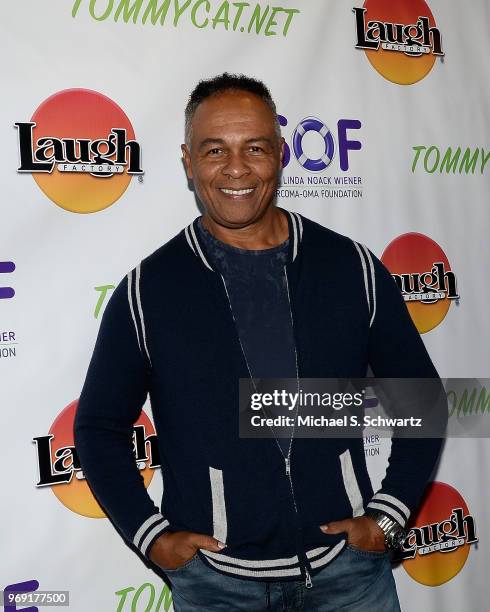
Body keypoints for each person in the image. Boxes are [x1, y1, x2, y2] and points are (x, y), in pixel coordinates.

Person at [74, 73, 443, 611]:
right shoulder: (149, 290)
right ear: (187, 161)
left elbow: (421, 400)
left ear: (283, 153)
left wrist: (388, 515)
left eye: (255, 148)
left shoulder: (351, 268)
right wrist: (151, 536)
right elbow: (100, 427)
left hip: (350, 575)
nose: (236, 168)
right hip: (217, 586)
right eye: (215, 150)